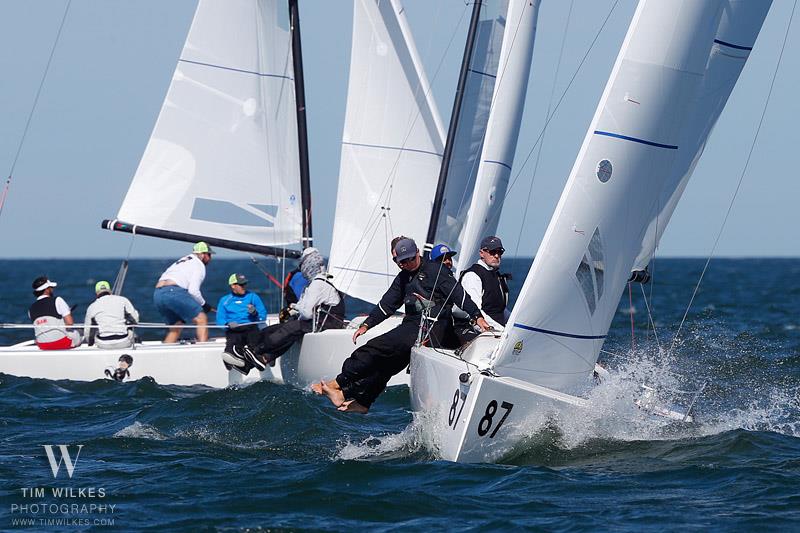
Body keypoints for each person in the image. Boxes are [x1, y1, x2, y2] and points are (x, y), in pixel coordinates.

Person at [313, 238, 488, 413]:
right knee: (385, 366)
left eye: (411, 259)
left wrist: (477, 316)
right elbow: (387, 304)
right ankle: (362, 401)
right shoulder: (403, 277)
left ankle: (337, 384)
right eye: (402, 261)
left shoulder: (436, 270)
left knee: (372, 349)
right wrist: (367, 324)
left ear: (418, 253)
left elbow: (459, 295)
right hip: (412, 324)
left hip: (431, 326)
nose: (407, 264)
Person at [239, 248, 344, 371]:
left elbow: (306, 313)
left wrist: (297, 313)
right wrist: (293, 309)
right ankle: (253, 359)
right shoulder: (314, 283)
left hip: (328, 323)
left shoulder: (318, 284)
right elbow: (302, 306)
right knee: (274, 329)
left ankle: (257, 351)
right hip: (318, 322)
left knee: (290, 328)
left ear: (308, 265)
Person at [153, 242, 215, 343]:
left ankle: (164, 353)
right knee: (202, 318)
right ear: (202, 254)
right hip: (173, 291)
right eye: (209, 254)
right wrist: (204, 304)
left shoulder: (183, 260)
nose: (210, 258)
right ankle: (202, 352)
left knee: (176, 326)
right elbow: (193, 291)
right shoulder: (199, 265)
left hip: (158, 294)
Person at [459, 235, 510, 331]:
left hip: (497, 329)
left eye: (500, 252)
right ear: (482, 253)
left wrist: (514, 324)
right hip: (479, 330)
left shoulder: (496, 275)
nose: (496, 256)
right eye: (492, 252)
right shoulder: (473, 276)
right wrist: (501, 329)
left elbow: (500, 309)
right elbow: (474, 311)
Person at [216, 273, 267, 371]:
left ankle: (256, 361)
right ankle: (232, 360)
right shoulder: (225, 300)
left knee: (255, 342)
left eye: (245, 284)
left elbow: (263, 315)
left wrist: (255, 313)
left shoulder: (253, 297)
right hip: (234, 329)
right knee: (232, 343)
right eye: (241, 285)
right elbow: (220, 319)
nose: (244, 287)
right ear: (233, 286)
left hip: (250, 327)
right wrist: (227, 324)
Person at [28, 276, 82, 350]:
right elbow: (69, 323)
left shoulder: (30, 309)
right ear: (46, 290)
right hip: (60, 342)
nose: (52, 289)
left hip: (42, 345)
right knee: (79, 333)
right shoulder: (58, 300)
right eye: (51, 287)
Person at [84, 281, 140, 349]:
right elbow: (135, 320)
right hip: (123, 341)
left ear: (96, 293)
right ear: (110, 291)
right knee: (133, 333)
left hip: (103, 344)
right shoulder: (123, 300)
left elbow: (88, 331)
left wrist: (90, 343)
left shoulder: (91, 307)